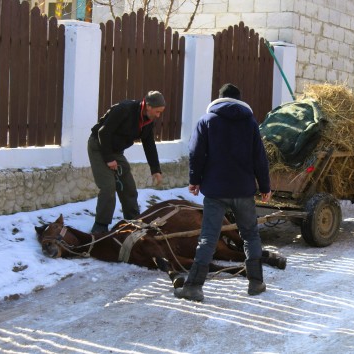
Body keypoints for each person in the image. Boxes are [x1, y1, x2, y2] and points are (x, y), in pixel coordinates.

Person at [174, 83, 272, 302]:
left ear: (218, 99)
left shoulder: (206, 121)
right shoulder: (250, 123)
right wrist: (265, 186)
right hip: (244, 190)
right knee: (250, 235)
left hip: (216, 191)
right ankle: (256, 282)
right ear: (239, 99)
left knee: (208, 237)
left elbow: (196, 153)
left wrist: (194, 180)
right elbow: (259, 157)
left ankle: (194, 287)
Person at [87, 91, 166, 233]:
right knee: (108, 187)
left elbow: (149, 144)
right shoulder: (124, 110)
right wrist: (109, 159)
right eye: (157, 111)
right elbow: (103, 133)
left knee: (128, 186)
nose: (158, 115)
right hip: (99, 146)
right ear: (148, 106)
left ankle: (133, 222)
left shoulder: (147, 121)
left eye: (161, 112)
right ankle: (100, 226)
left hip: (116, 151)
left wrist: (155, 169)